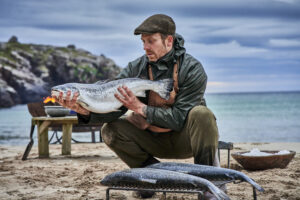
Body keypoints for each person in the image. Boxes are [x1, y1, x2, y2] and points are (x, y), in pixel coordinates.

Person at [54, 14, 220, 199]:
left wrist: (140, 108)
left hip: (187, 140)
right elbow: (112, 107)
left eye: (151, 41)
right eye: (143, 41)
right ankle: (148, 179)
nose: (145, 47)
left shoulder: (192, 69)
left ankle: (209, 184)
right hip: (152, 139)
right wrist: (84, 111)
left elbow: (180, 118)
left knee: (202, 114)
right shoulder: (136, 68)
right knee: (110, 130)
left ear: (169, 40)